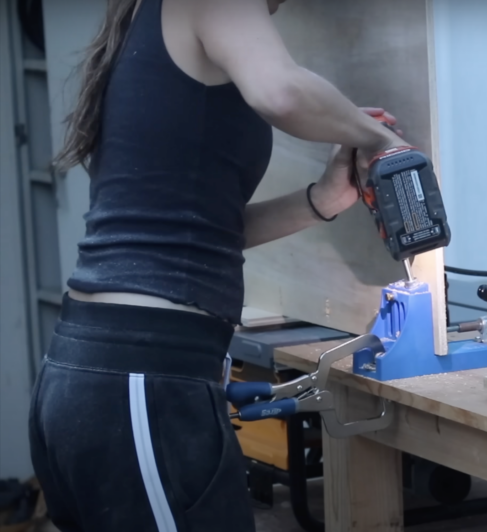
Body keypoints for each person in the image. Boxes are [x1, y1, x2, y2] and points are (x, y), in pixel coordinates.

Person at [28, 0, 407, 530]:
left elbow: (193, 230)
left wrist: (320, 200)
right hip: (139, 377)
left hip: (105, 374)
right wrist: (383, 140)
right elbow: (282, 92)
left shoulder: (153, 22)